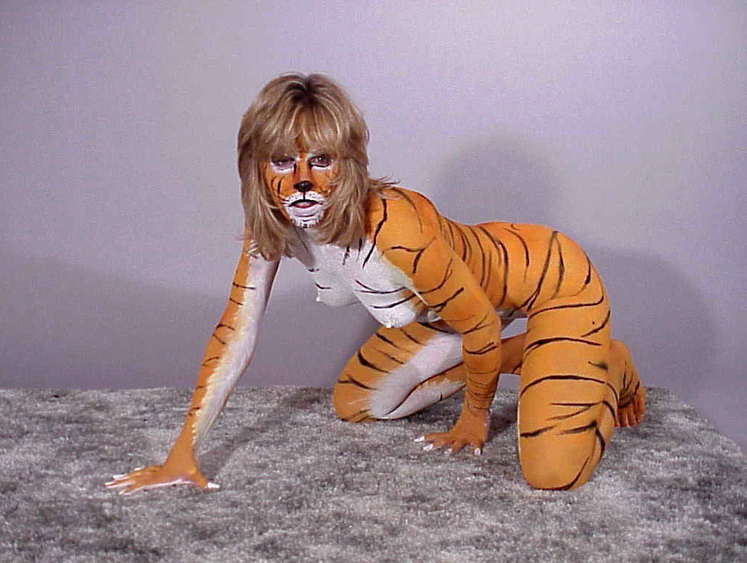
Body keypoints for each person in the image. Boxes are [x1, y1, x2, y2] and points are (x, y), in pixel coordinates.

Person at [107, 73, 644, 494]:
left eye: (322, 160)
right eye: (282, 161)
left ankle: (607, 362)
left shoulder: (395, 229)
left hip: (552, 284)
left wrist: (474, 418)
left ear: (350, 164)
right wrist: (183, 453)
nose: (302, 180)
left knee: (552, 472)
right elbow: (235, 334)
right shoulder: (270, 227)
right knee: (359, 404)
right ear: (254, 167)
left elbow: (480, 323)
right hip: (452, 315)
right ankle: (528, 352)